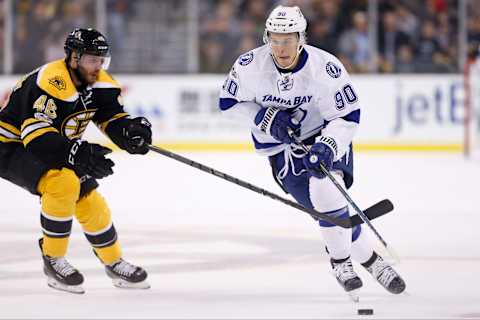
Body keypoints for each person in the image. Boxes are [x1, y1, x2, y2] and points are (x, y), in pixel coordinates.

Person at [219, 6, 406, 297]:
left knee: (325, 188)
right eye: (275, 39)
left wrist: (327, 145)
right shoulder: (249, 66)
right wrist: (264, 117)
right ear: (267, 37)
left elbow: (347, 116)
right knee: (330, 213)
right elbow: (228, 104)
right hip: (281, 149)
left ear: (301, 38)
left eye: (289, 39)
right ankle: (372, 260)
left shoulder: (324, 67)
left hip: (323, 136)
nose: (281, 47)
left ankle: (341, 262)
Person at [0, 28, 152, 294]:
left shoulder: (99, 81)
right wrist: (76, 153)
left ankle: (113, 261)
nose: (99, 66)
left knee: (89, 198)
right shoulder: (52, 81)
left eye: (102, 60)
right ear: (74, 57)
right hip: (10, 146)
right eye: (93, 59)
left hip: (54, 146)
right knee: (63, 183)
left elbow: (111, 117)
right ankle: (53, 258)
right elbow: (35, 137)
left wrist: (129, 132)